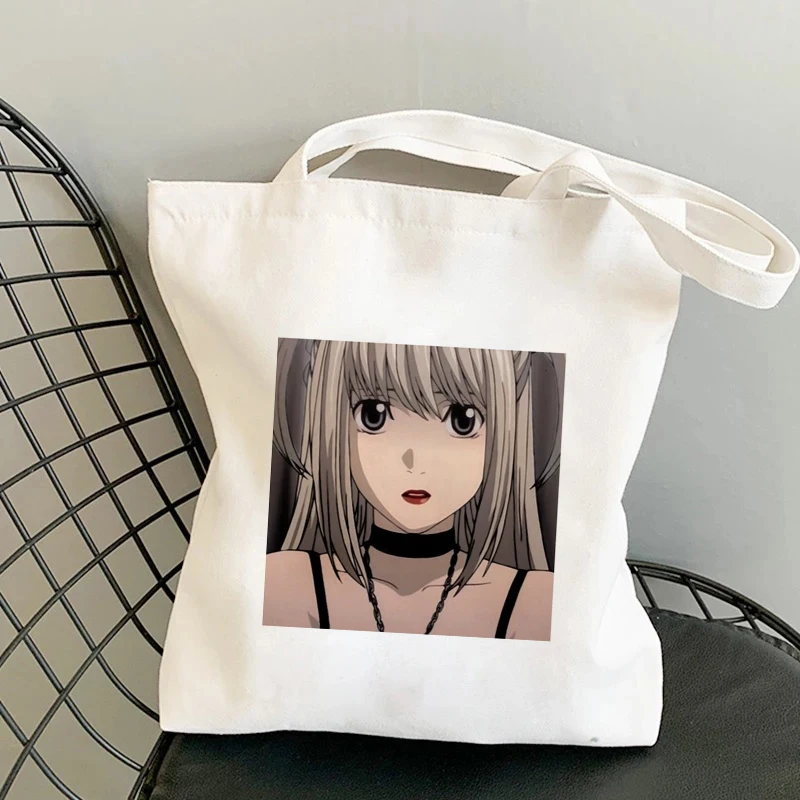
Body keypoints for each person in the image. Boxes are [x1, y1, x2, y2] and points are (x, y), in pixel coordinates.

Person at [263, 339, 555, 640]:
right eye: (374, 415)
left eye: (461, 420)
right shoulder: (288, 584)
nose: (415, 461)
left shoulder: (532, 600)